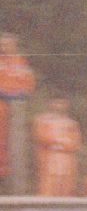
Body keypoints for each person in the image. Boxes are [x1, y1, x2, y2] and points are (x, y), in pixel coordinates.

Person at [0, 33, 36, 187]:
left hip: (17, 106)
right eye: (2, 45)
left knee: (15, 144)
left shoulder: (21, 62)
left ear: (15, 45)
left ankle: (15, 182)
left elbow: (29, 83)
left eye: (8, 44)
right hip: (1, 104)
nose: (4, 47)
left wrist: (21, 94)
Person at [32, 97, 82, 196]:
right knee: (48, 185)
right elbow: (41, 137)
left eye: (62, 103)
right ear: (50, 103)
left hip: (67, 160)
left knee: (66, 185)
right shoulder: (42, 121)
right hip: (49, 159)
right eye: (56, 102)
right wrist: (59, 141)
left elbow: (75, 142)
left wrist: (61, 144)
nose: (59, 105)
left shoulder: (71, 123)